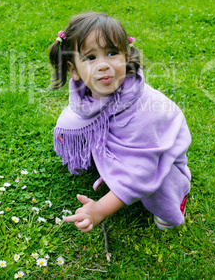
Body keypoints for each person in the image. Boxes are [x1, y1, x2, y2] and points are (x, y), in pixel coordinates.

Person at [49, 12, 191, 233]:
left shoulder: (144, 110)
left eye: (112, 53)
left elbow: (141, 171)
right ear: (74, 70)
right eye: (90, 57)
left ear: (126, 57)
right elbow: (78, 120)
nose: (103, 65)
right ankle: (113, 165)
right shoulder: (86, 94)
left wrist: (100, 210)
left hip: (157, 155)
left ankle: (177, 193)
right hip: (132, 143)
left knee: (157, 180)